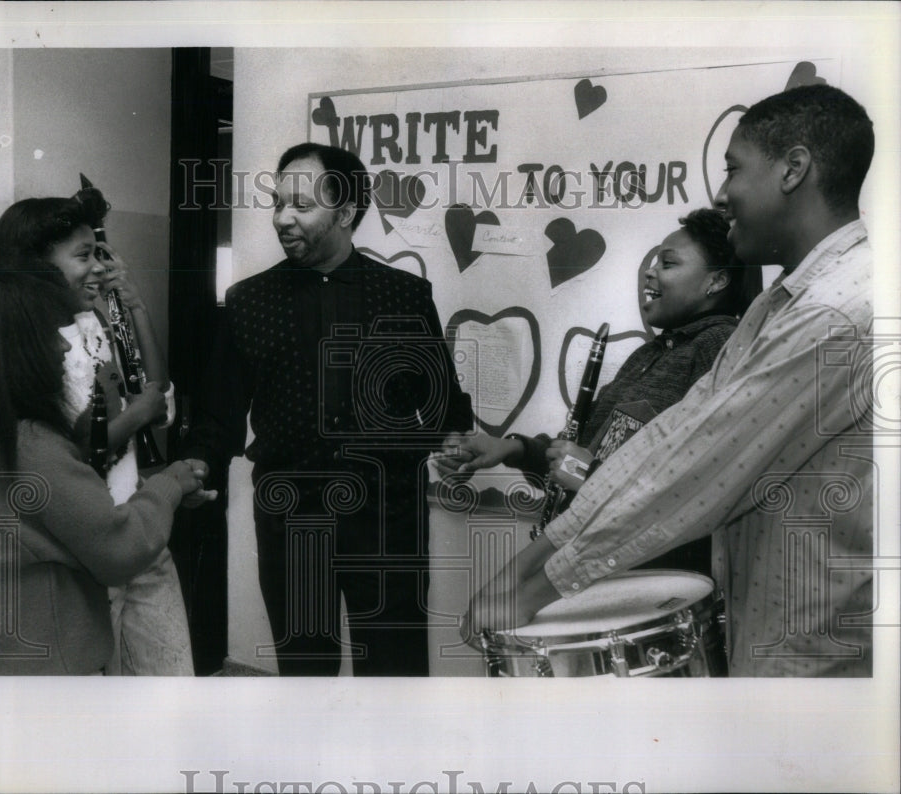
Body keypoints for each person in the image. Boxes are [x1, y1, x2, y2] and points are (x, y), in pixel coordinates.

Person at [465, 83, 876, 677]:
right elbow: (675, 435)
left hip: (813, 652)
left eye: (734, 169)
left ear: (794, 170)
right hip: (774, 633)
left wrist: (532, 583)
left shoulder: (831, 314)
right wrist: (530, 565)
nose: (723, 192)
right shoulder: (781, 303)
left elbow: (691, 468)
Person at [181, 142, 473, 676]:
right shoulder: (249, 300)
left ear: (345, 212)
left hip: (388, 516)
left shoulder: (404, 296)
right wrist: (200, 462)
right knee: (304, 668)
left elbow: (442, 401)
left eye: (301, 205)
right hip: (291, 514)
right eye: (277, 203)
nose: (282, 218)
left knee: (395, 669)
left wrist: (454, 438)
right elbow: (219, 411)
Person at [437, 208, 763, 576]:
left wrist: (589, 474)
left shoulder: (721, 346)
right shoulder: (653, 352)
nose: (650, 272)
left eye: (668, 263)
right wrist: (509, 448)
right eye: (654, 261)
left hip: (655, 574)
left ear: (716, 282)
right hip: (601, 558)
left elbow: (699, 478)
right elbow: (579, 452)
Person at [0, 271, 211, 675]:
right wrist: (170, 484)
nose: (62, 346)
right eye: (47, 334)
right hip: (49, 673)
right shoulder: (29, 446)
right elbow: (122, 548)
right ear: (13, 352)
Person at [0, 196, 195, 676]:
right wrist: (140, 413)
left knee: (171, 678)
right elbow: (62, 454)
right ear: (34, 265)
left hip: (137, 525)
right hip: (87, 553)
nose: (98, 268)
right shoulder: (21, 350)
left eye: (97, 254)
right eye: (83, 256)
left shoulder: (91, 321)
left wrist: (136, 304)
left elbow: (153, 392)